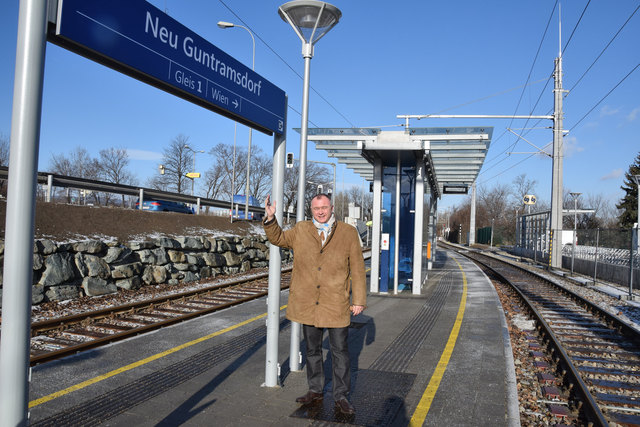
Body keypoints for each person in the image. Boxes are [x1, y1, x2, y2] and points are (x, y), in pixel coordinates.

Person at [263, 193, 366, 416]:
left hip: (336, 303)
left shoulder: (347, 232)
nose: (320, 211)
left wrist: (358, 300)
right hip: (309, 303)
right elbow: (278, 238)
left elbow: (357, 268)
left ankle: (340, 396)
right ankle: (315, 389)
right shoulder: (301, 230)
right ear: (311, 210)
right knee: (312, 350)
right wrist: (271, 219)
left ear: (332, 208)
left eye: (324, 207)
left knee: (340, 352)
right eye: (316, 208)